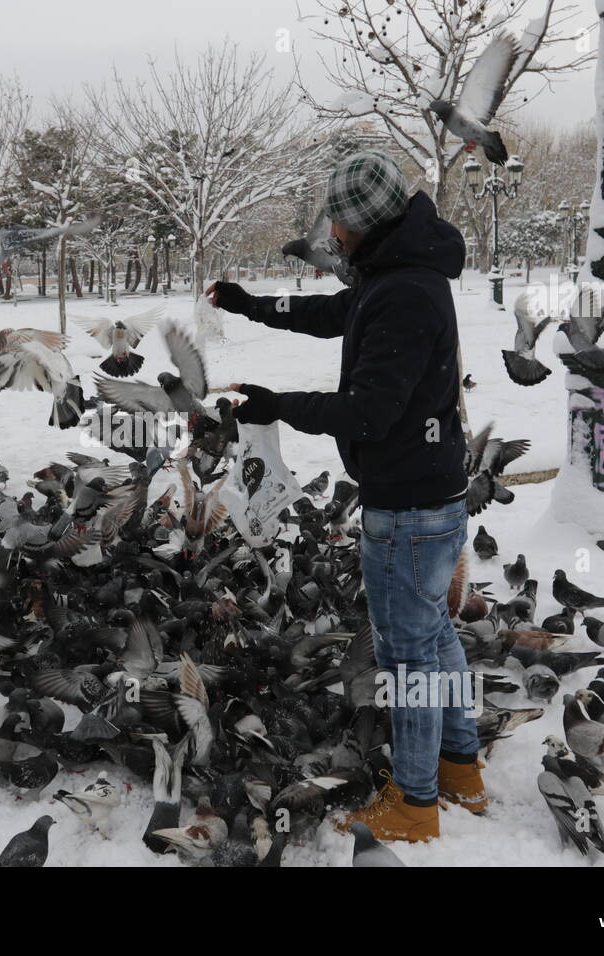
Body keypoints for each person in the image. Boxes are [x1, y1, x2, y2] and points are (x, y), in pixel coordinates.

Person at [207, 149, 481, 843]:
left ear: (364, 224)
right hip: (433, 488)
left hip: (408, 506)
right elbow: (337, 315)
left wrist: (276, 404)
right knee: (435, 635)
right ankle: (459, 766)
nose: (332, 235)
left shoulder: (405, 290)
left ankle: (415, 803)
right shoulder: (399, 272)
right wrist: (252, 307)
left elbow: (368, 414)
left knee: (406, 655)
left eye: (339, 225)